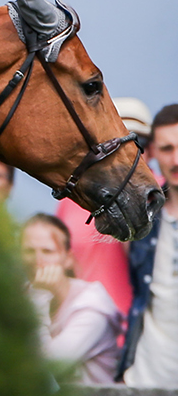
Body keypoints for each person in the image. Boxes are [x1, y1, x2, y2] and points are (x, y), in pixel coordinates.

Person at [54, 97, 153, 317]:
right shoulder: (73, 200)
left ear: (153, 149)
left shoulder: (163, 198)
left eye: (138, 142)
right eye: (114, 144)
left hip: (140, 337)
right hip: (79, 332)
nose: (127, 154)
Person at [21, 213, 122, 384]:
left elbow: (49, 367)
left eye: (48, 251)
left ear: (67, 258)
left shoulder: (91, 306)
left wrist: (39, 297)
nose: (38, 261)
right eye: (29, 251)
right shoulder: (21, 296)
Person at [120, 104, 178, 386]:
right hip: (147, 376)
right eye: (167, 149)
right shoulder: (144, 214)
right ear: (154, 152)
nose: (176, 159)